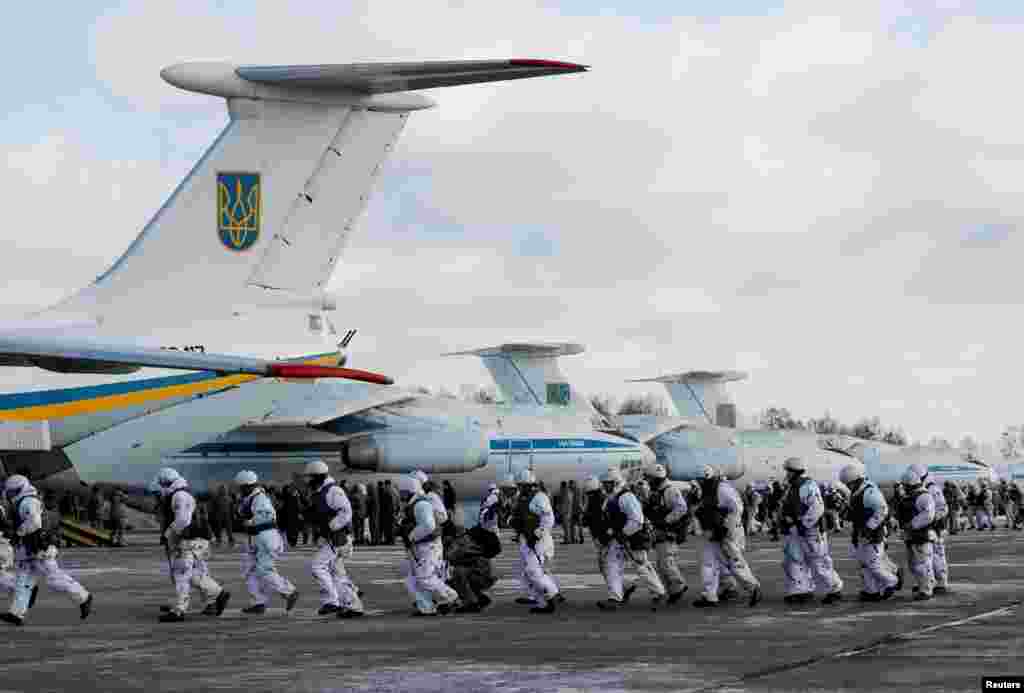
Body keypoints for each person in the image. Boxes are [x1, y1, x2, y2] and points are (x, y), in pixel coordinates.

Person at [1, 476, 91, 626]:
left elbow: (35, 523)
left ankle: (84, 597)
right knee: (23, 582)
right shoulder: (25, 501)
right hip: (30, 549)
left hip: (39, 548)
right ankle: (16, 614)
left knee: (54, 578)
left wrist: (18, 532)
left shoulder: (28, 501)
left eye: (12, 492)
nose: (10, 495)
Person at [154, 468, 229, 623]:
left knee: (181, 573)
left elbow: (182, 520)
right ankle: (216, 593)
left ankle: (179, 610)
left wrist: (167, 535)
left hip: (190, 540)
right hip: (195, 540)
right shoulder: (182, 493)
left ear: (166, 482)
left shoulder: (179, 496)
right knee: (191, 573)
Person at [596, 468, 666, 611]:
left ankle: (659, 592)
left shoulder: (626, 497)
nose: (605, 486)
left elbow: (637, 520)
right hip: (621, 537)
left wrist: (624, 533)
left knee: (642, 567)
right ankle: (615, 597)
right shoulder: (614, 497)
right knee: (612, 566)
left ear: (615, 483)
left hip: (633, 538)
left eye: (607, 483)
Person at [692, 465, 762, 608]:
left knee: (734, 561)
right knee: (708, 563)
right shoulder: (707, 489)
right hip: (712, 531)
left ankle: (753, 587)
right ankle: (709, 595)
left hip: (725, 530)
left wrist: (725, 528)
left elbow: (737, 508)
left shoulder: (722, 488)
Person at [233, 471, 300, 615]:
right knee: (249, 570)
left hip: (265, 537)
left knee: (264, 569)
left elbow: (265, 517)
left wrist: (247, 522)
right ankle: (258, 602)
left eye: (241, 487)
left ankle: (289, 592)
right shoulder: (251, 498)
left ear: (247, 486)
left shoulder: (260, 498)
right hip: (255, 538)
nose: (239, 490)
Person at [779, 457, 843, 605]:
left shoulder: (808, 486)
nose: (786, 474)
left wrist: (802, 523)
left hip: (811, 531)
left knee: (819, 562)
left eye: (788, 471)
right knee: (794, 559)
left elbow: (817, 508)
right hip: (796, 529)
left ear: (794, 472)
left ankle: (835, 589)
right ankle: (801, 590)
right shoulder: (793, 486)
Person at [303, 460, 364, 618]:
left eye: (310, 477)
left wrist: (331, 526)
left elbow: (346, 512)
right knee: (338, 574)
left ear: (318, 477)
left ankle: (332, 601)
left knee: (318, 566)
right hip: (333, 537)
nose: (308, 481)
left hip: (338, 538)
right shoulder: (321, 491)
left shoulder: (333, 491)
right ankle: (353, 605)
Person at [397, 475, 460, 616]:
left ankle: (450, 596)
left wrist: (411, 536)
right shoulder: (415, 504)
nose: (401, 496)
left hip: (428, 546)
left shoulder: (421, 504)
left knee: (424, 577)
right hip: (420, 546)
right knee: (414, 578)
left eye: (403, 493)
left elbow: (429, 525)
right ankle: (426, 606)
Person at [840, 464, 901, 602]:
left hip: (872, 534)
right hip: (861, 532)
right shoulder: (858, 492)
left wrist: (869, 527)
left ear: (855, 480)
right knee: (864, 563)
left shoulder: (869, 492)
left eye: (848, 484)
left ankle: (892, 581)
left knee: (873, 563)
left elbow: (882, 510)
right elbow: (857, 511)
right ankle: (871, 590)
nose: (848, 487)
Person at [643, 464, 689, 605]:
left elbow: (682, 508)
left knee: (666, 562)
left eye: (650, 478)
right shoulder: (658, 491)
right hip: (661, 529)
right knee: (662, 562)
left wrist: (666, 521)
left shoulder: (670, 490)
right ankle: (674, 590)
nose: (649, 481)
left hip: (668, 530)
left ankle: (678, 587)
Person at [898, 466, 937, 601]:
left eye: (905, 485)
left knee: (921, 563)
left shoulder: (924, 496)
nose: (903, 488)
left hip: (922, 535)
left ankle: (926, 589)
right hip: (913, 535)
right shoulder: (911, 496)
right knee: (915, 563)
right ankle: (926, 584)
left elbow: (928, 515)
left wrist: (912, 525)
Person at [913, 464, 950, 595]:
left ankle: (941, 582)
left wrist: (932, 520)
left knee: (937, 556)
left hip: (936, 528)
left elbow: (943, 508)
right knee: (928, 559)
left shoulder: (932, 488)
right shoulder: (922, 489)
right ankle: (930, 581)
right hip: (929, 528)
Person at [445, 524, 497, 613]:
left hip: (481, 577)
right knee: (454, 577)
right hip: (484, 575)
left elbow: (451, 556)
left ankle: (471, 603)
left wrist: (447, 546)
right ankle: (479, 597)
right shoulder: (470, 540)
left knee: (456, 574)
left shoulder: (465, 542)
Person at [380, 480, 395, 545]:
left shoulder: (387, 492)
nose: (384, 486)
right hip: (392, 512)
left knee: (388, 528)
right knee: (390, 527)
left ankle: (389, 540)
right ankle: (391, 540)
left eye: (385, 485)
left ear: (387, 485)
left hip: (388, 513)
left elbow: (387, 504)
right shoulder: (393, 491)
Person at [366, 480, 379, 546]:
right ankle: (376, 540)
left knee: (373, 528)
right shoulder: (375, 495)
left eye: (368, 488)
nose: (367, 489)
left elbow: (369, 506)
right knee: (375, 527)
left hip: (372, 514)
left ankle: (374, 541)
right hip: (375, 514)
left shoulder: (371, 496)